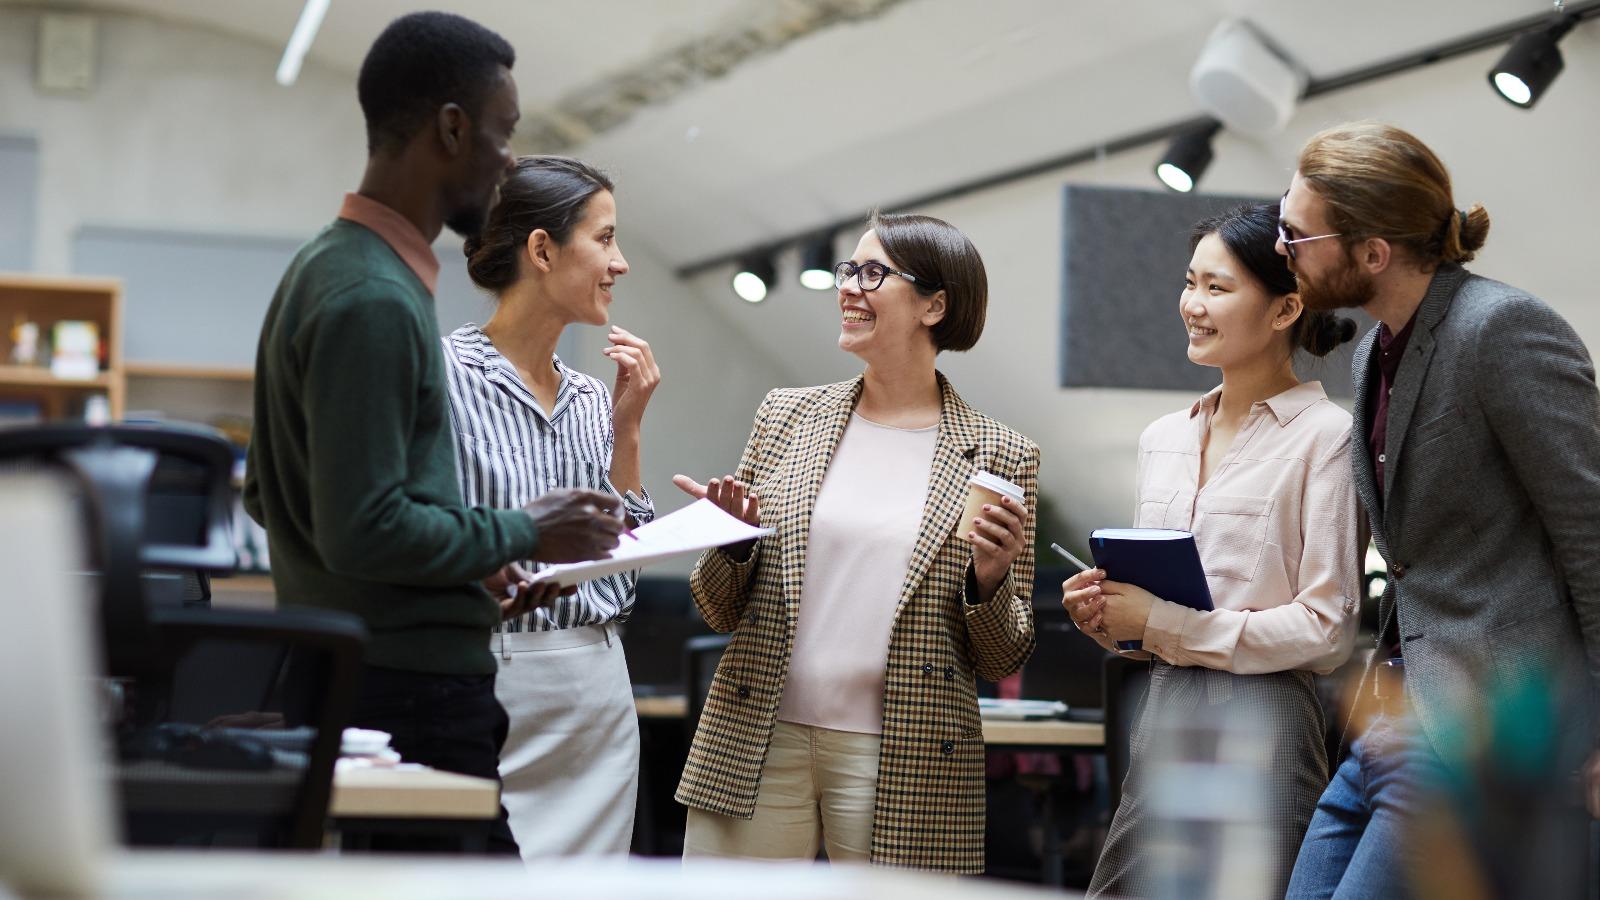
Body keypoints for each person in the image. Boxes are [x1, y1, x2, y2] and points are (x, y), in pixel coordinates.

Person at [243, 13, 624, 855]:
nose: (510, 162)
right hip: (408, 695)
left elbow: (270, 494)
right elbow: (364, 524)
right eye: (504, 133)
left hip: (369, 678)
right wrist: (528, 529)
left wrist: (469, 565)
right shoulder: (374, 298)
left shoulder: (326, 266)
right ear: (453, 128)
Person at [1279, 122, 1600, 898]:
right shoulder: (1369, 355)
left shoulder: (1501, 329)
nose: (1282, 247)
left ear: (1372, 252)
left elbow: (1592, 533)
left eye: (1298, 234)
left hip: (1484, 730)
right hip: (1390, 717)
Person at [671, 212, 1037, 873]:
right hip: (758, 734)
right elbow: (716, 608)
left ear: (935, 304)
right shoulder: (785, 416)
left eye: (874, 273)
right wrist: (731, 544)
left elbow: (1002, 653)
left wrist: (989, 578)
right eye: (848, 270)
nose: (849, 287)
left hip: (903, 752)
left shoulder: (1002, 455)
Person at [1065, 202, 1361, 898]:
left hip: (1269, 718)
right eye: (1189, 282)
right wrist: (1112, 618)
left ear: (1286, 309)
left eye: (1218, 288)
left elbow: (1327, 628)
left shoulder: (1328, 438)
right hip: (1165, 708)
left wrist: (1161, 624)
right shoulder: (1161, 438)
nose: (1193, 305)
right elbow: (1158, 611)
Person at [445, 155, 659, 858]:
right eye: (605, 238)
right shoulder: (442, 378)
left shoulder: (595, 398)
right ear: (542, 250)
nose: (620, 263)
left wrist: (627, 432)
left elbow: (619, 585)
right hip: (487, 684)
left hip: (597, 694)